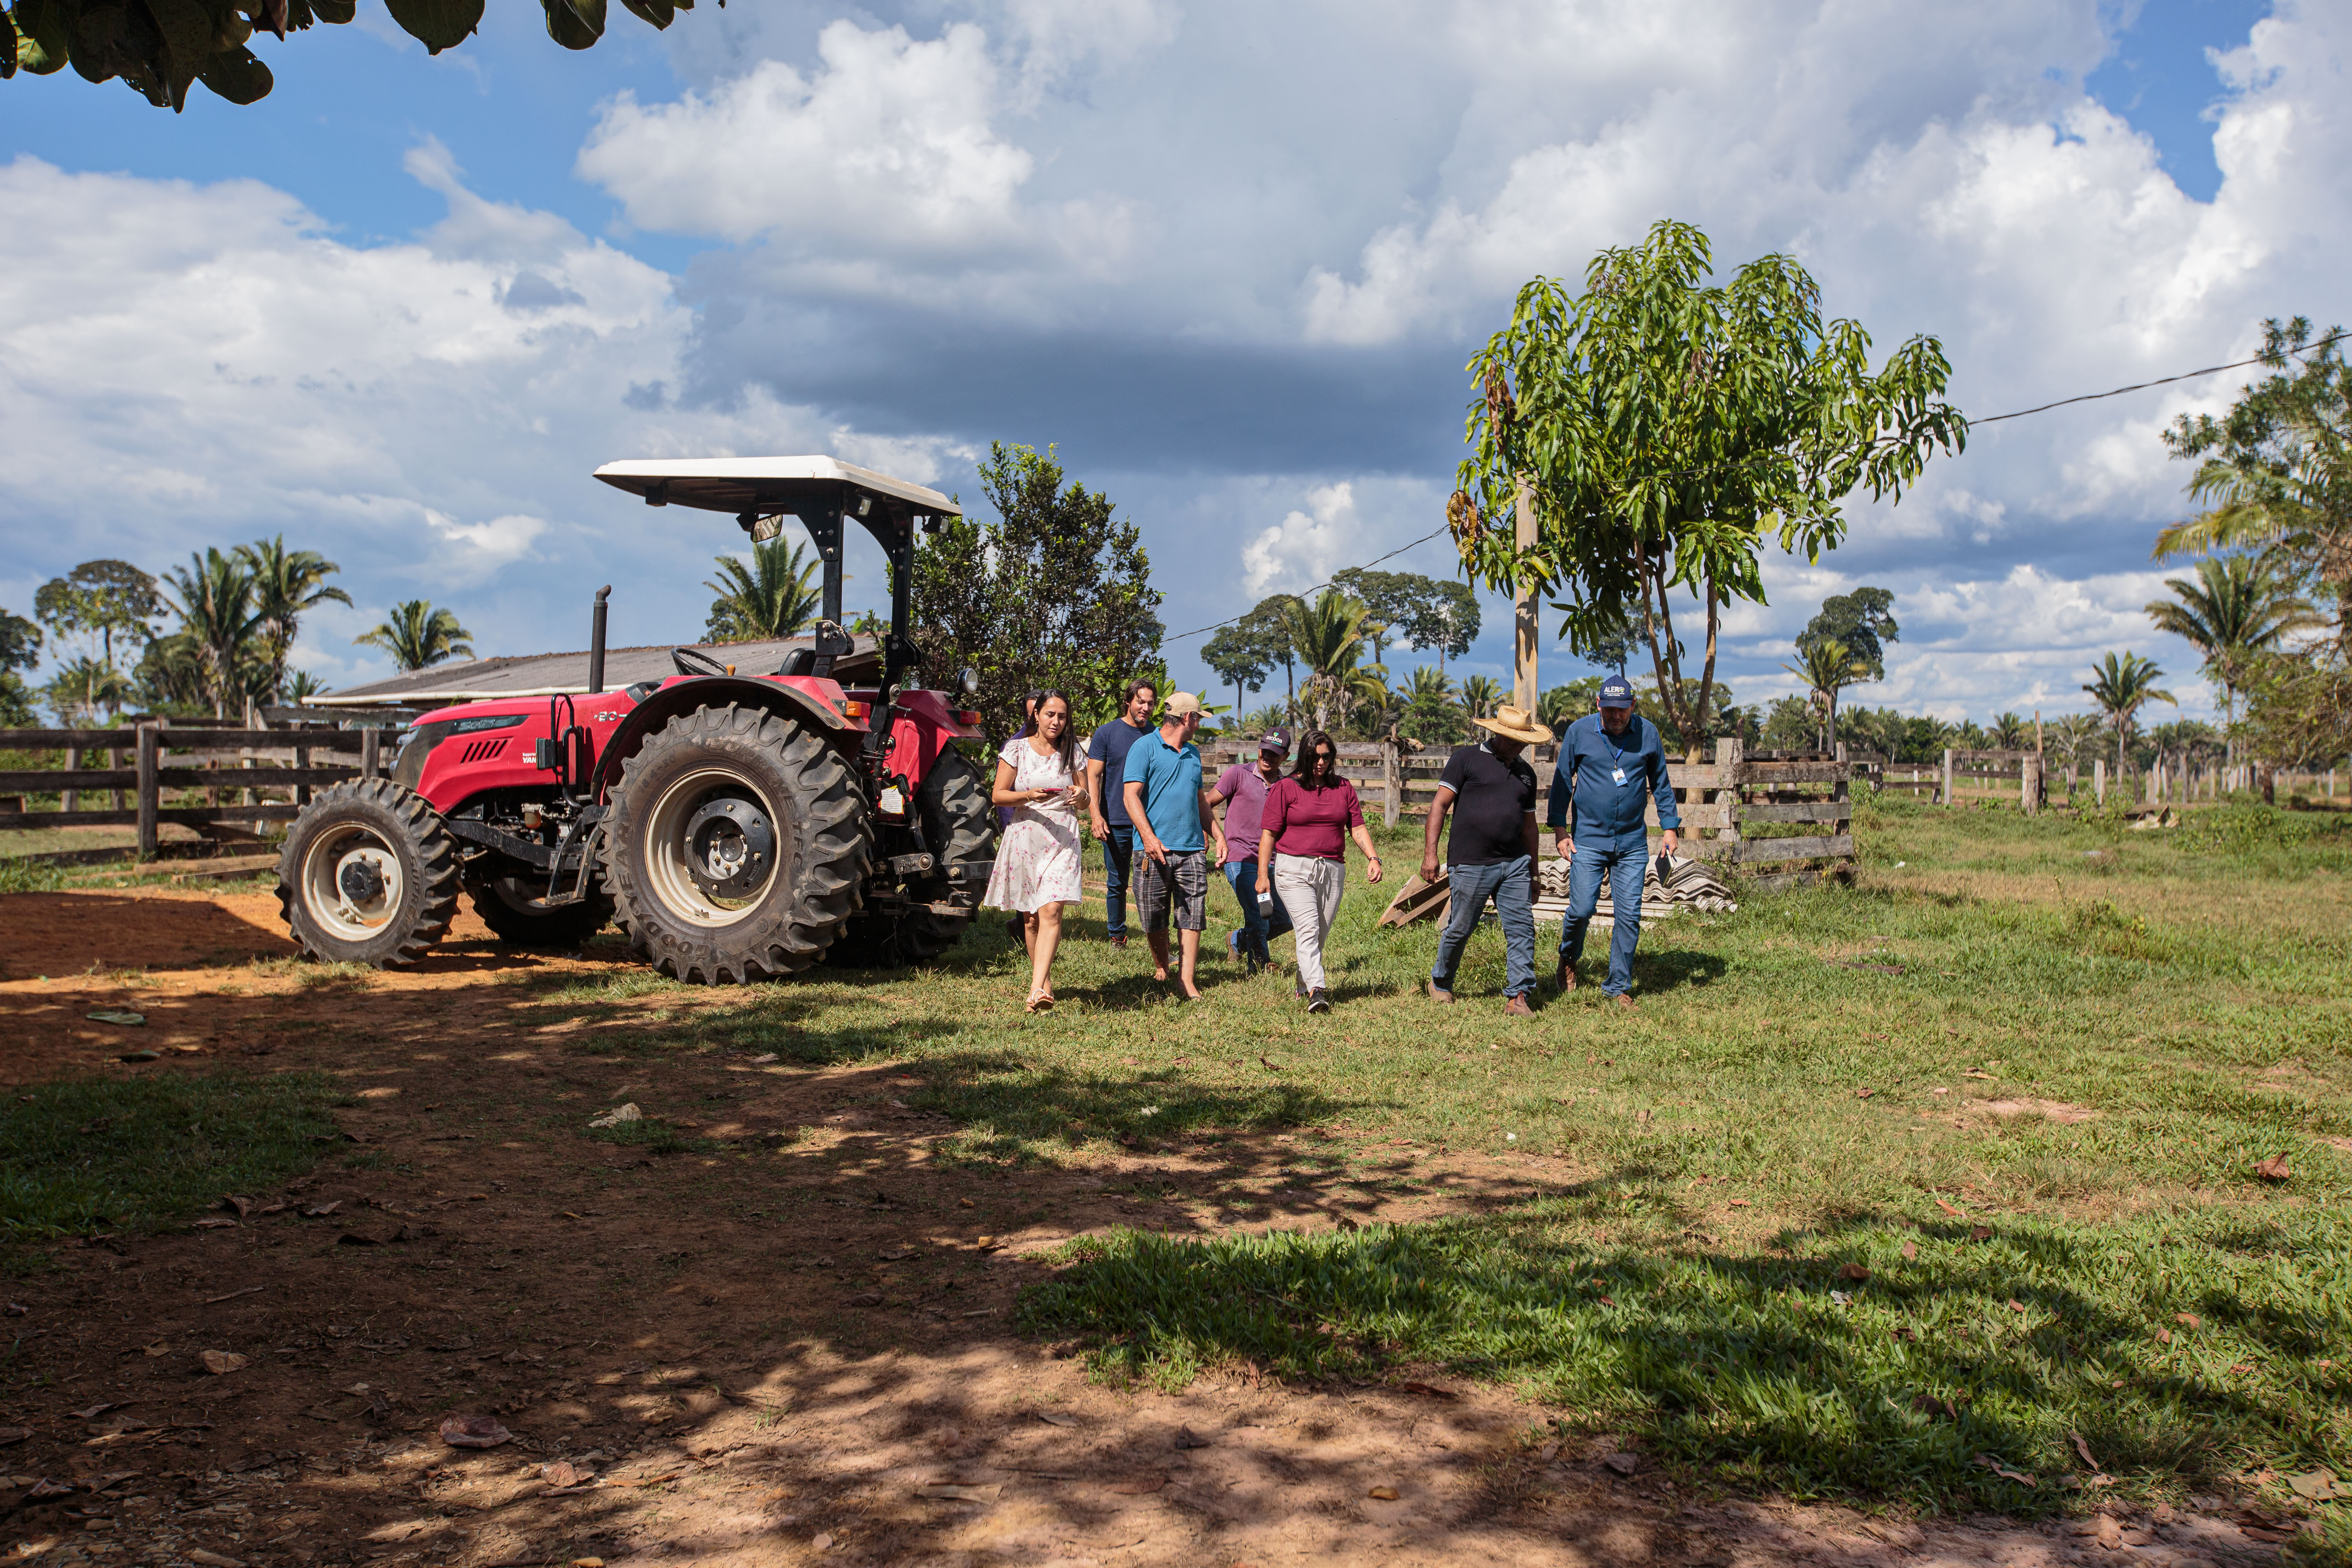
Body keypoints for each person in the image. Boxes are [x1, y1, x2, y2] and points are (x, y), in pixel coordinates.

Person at [1549, 674, 1680, 1007]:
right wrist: (1560, 831)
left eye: (1622, 710)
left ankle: (1618, 985)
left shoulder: (1648, 734)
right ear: (1599, 705)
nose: (1615, 716)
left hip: (1632, 843)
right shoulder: (1580, 733)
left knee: (1629, 914)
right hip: (1588, 840)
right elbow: (1563, 783)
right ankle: (1568, 957)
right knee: (1581, 909)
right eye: (1609, 710)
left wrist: (1669, 827)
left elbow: (1661, 783)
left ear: (1632, 705)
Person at [1421, 703, 1545, 1015]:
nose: (1519, 746)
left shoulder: (1526, 775)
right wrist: (1430, 855)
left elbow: (1530, 827)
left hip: (1515, 864)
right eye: (1514, 740)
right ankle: (1441, 982)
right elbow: (1439, 806)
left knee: (1522, 928)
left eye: (1524, 742)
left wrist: (1534, 873)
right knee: (1461, 926)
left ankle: (1518, 996)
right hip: (1472, 862)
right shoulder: (1467, 759)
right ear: (1497, 733)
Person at [1257, 729, 1382, 1013]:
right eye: (1315, 756)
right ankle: (1318, 990)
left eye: (1327, 756)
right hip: (1293, 869)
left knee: (1318, 934)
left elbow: (1358, 827)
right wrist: (1263, 875)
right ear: (1304, 755)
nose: (1321, 762)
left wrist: (1373, 858)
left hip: (1333, 870)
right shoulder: (1286, 788)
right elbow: (1268, 835)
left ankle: (1304, 984)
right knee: (1308, 928)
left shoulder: (1343, 788)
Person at [983, 690, 1087, 1012]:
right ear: (1037, 715)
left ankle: (1035, 990)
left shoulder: (1073, 752)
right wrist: (1028, 795)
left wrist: (1080, 793)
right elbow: (998, 796)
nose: (1056, 721)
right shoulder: (1015, 750)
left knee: (1052, 910)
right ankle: (1043, 982)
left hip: (1063, 837)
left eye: (1062, 716)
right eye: (1050, 715)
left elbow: (1086, 802)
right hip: (1027, 837)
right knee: (1030, 919)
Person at [1123, 693, 1225, 1001]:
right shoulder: (1144, 748)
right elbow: (1131, 797)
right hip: (1153, 850)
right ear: (1186, 718)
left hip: (1192, 849)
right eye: (1197, 718)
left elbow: (1199, 801)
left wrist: (1218, 835)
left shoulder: (1193, 753)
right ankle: (1162, 965)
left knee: (1192, 912)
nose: (1198, 724)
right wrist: (1149, 838)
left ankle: (1187, 979)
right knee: (1153, 915)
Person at [1211, 727, 1295, 974]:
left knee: (1283, 919)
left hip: (1272, 862)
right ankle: (1259, 967)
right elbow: (1205, 804)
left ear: (1285, 757)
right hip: (1240, 858)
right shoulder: (1238, 774)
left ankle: (1237, 940)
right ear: (1259, 749)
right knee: (1259, 912)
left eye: (1275, 754)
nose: (1267, 757)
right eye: (1265, 751)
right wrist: (1216, 836)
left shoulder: (1286, 785)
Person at [1086, 679, 1158, 950]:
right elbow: (1093, 776)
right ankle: (1118, 936)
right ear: (1128, 701)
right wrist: (1096, 814)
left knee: (1151, 884)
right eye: (1141, 701)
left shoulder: (1157, 735)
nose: (1146, 708)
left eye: (1151, 703)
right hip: (1115, 820)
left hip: (1147, 824)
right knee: (1117, 882)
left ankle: (1156, 939)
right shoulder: (1107, 733)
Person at [1001, 689, 1047, 943]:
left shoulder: (1061, 748)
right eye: (1031, 713)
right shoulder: (1015, 747)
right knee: (1026, 883)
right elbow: (1002, 795)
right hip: (1020, 823)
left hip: (1052, 830)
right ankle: (1022, 925)